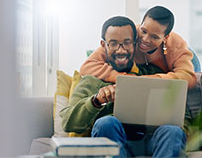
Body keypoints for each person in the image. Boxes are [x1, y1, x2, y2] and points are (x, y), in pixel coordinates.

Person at [60, 16, 187, 157]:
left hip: (151, 141)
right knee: (106, 123)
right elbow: (67, 122)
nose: (121, 51)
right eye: (113, 44)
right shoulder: (92, 81)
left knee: (173, 131)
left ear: (135, 44)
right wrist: (96, 101)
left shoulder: (155, 74)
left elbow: (182, 116)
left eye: (127, 43)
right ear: (104, 45)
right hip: (114, 139)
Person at [80, 5, 197, 89]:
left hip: (182, 61)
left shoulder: (177, 45)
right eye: (144, 31)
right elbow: (87, 66)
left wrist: (148, 81)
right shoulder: (129, 35)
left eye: (154, 37)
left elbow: (188, 77)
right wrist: (125, 78)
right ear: (140, 25)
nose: (145, 40)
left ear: (165, 38)